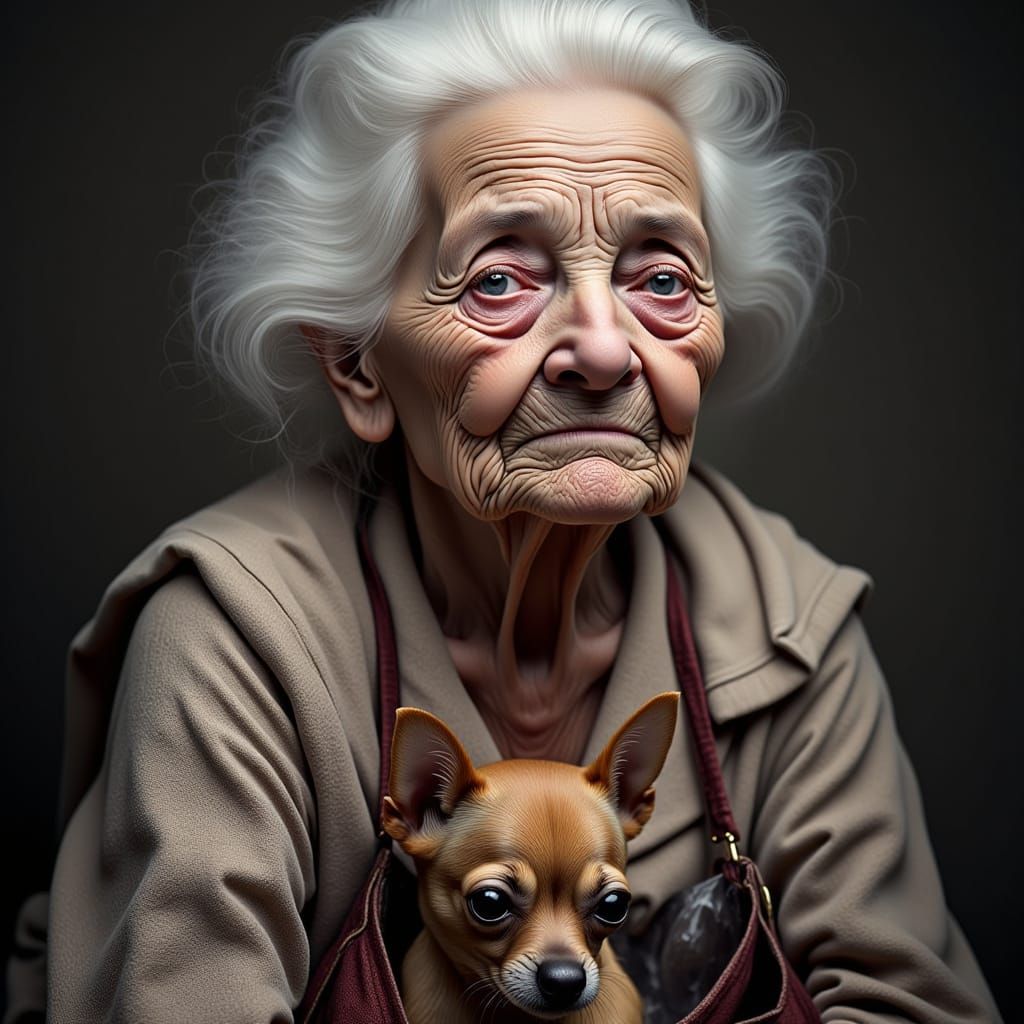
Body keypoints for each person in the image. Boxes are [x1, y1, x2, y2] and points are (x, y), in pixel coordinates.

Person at [4, 0, 1002, 1021]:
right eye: (500, 281)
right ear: (356, 360)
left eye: (660, 278)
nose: (606, 350)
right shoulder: (233, 634)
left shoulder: (790, 622)